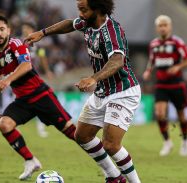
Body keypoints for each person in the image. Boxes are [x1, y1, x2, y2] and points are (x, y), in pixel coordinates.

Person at [26, 0, 141, 182]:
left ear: (98, 8)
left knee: (111, 145)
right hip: (103, 91)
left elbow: (117, 61)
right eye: (79, 9)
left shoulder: (111, 31)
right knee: (82, 136)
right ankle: (114, 177)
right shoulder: (87, 22)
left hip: (123, 91)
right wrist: (43, 32)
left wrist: (93, 78)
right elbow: (69, 24)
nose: (80, 14)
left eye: (84, 10)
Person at [0, 15, 77, 180]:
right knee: (4, 124)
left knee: (74, 134)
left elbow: (26, 65)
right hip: (23, 101)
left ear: (9, 31)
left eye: (1, 29)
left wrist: (8, 79)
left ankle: (105, 160)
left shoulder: (16, 44)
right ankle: (30, 160)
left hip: (40, 94)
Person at [142, 15, 187, 157]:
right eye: (160, 25)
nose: (163, 28)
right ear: (157, 28)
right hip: (161, 84)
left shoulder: (177, 42)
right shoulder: (153, 44)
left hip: (177, 84)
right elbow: (151, 61)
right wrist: (147, 71)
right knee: (159, 114)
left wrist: (178, 67)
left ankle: (185, 141)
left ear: (170, 27)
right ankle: (167, 142)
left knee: (181, 116)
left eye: (165, 25)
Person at [21, 21, 54, 138]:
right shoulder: (20, 43)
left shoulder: (38, 45)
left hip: (34, 77)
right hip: (21, 78)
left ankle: (41, 128)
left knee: (41, 101)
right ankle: (14, 124)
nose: (25, 31)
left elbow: (42, 57)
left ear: (32, 30)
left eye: (27, 29)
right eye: (24, 29)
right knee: (21, 102)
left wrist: (47, 71)